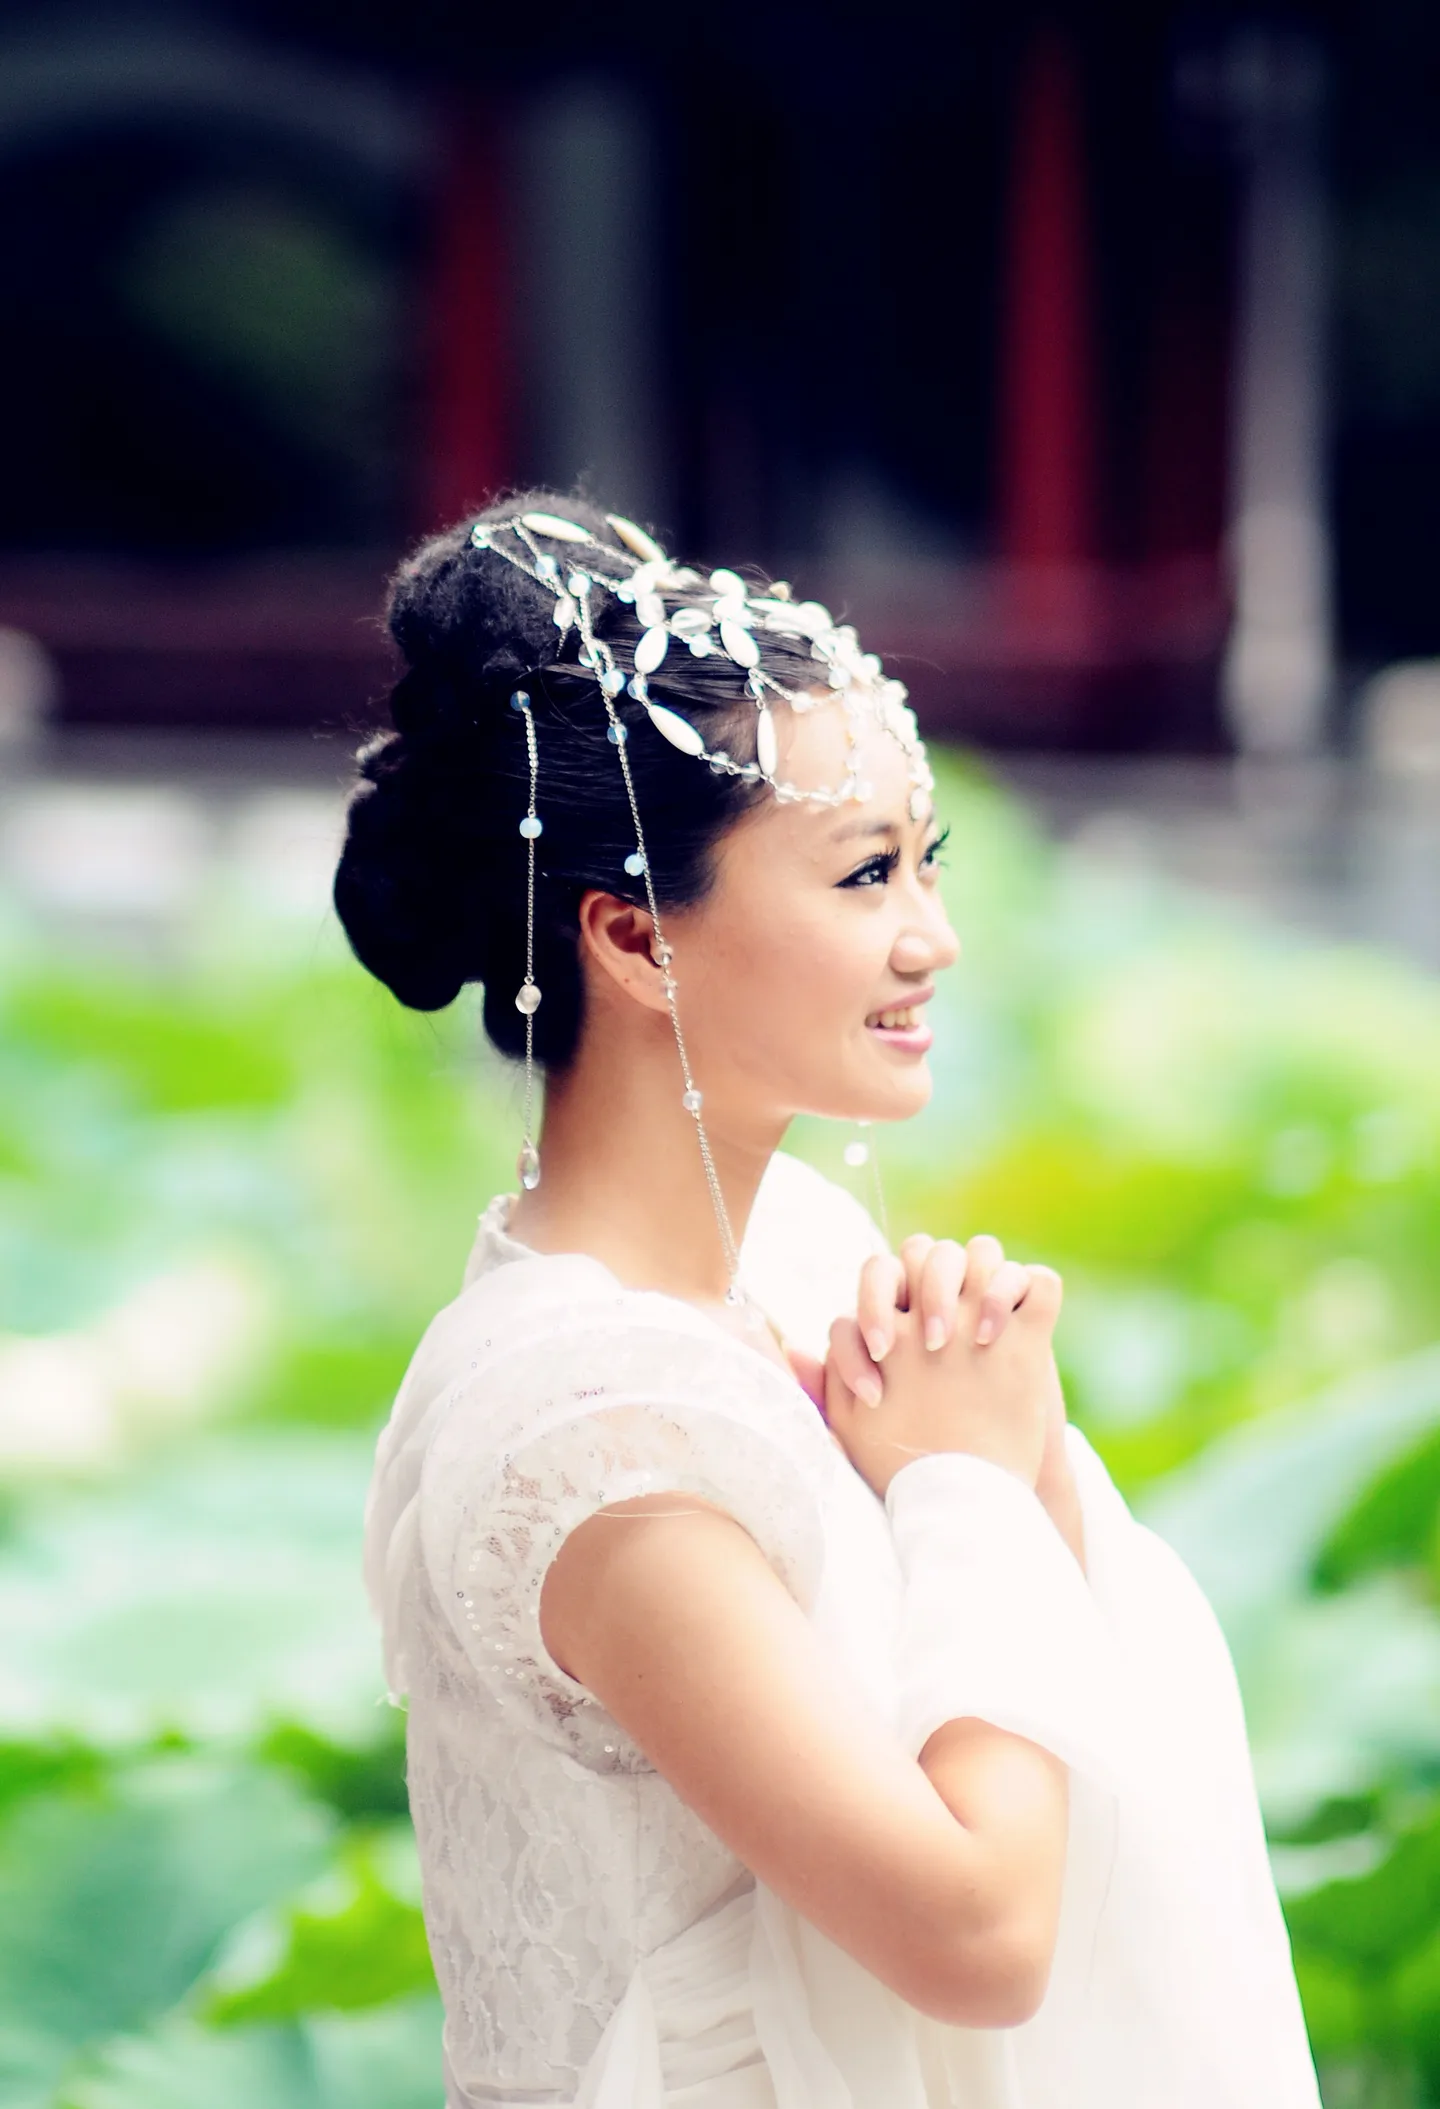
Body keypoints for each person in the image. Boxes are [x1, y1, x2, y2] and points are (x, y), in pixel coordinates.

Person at [336, 493, 1322, 2109]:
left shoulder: (789, 1252)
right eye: (866, 875)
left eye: (928, 863)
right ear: (633, 938)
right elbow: (979, 1935)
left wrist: (1005, 1461)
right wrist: (969, 1485)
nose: (934, 940)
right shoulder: (591, 1439)